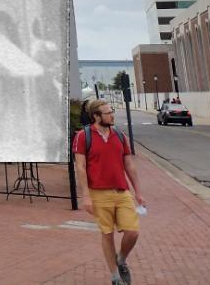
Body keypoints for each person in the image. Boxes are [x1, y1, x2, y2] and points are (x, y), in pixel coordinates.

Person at [74, 100, 146, 284]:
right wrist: (86, 196)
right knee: (107, 235)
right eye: (107, 112)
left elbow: (129, 165)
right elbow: (81, 168)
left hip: (122, 192)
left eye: (111, 111)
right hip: (98, 193)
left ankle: (121, 260)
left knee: (133, 232)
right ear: (96, 116)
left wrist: (138, 192)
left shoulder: (120, 135)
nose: (112, 115)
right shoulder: (83, 136)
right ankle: (115, 278)